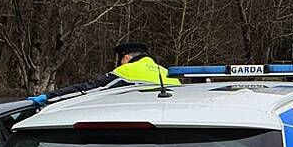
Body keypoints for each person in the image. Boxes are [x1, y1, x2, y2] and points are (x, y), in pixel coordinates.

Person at [27, 42, 180, 106]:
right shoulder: (168, 74)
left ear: (126, 57)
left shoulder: (127, 71)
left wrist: (48, 97)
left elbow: (88, 89)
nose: (120, 64)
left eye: (121, 60)